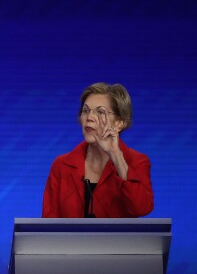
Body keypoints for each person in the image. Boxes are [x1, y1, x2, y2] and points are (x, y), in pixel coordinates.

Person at [42, 82, 153, 218]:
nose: (89, 118)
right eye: (86, 111)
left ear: (119, 123)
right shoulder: (61, 166)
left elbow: (141, 208)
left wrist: (116, 156)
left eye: (100, 112)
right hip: (69, 240)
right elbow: (48, 226)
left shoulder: (137, 161)